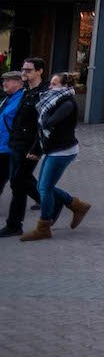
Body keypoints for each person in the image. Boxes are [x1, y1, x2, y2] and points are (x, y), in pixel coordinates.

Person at [20, 72, 92, 241]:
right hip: (53, 149)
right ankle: (76, 205)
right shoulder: (51, 101)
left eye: (54, 84)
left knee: (44, 188)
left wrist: (42, 115)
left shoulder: (66, 103)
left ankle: (44, 227)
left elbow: (47, 123)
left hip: (63, 151)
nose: (50, 87)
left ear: (64, 86)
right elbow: (42, 130)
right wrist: (36, 149)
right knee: (43, 187)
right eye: (50, 83)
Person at [1, 58, 45, 237]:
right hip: (15, 144)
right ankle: (61, 202)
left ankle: (15, 224)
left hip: (27, 146)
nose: (24, 73)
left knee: (19, 182)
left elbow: (42, 125)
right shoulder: (26, 92)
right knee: (19, 182)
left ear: (39, 71)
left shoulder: (42, 93)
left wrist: (36, 149)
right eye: (23, 69)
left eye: (28, 70)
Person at [0, 71, 23, 205]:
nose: (4, 83)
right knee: (24, 179)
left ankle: (63, 201)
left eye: (8, 81)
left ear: (18, 83)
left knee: (7, 176)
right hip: (3, 145)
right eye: (4, 80)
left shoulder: (21, 99)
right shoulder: (8, 98)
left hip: (10, 146)